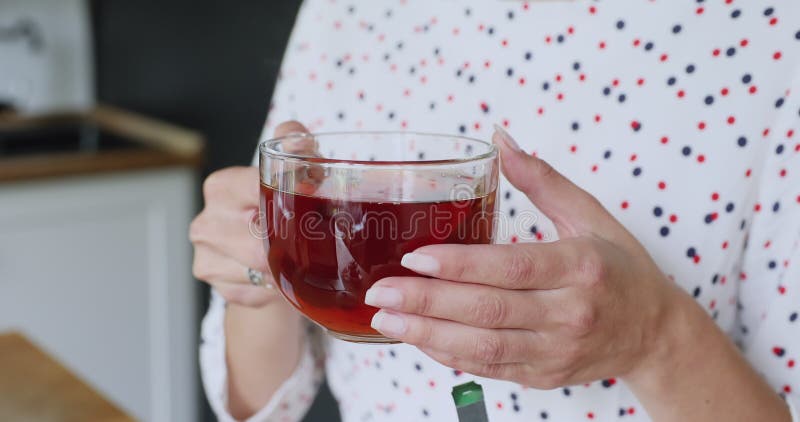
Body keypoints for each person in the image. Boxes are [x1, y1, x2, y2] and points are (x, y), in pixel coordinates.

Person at [189, 1, 800, 421]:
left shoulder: (770, 30)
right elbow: (260, 400)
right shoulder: (350, 10)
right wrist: (260, 276)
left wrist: (655, 339)